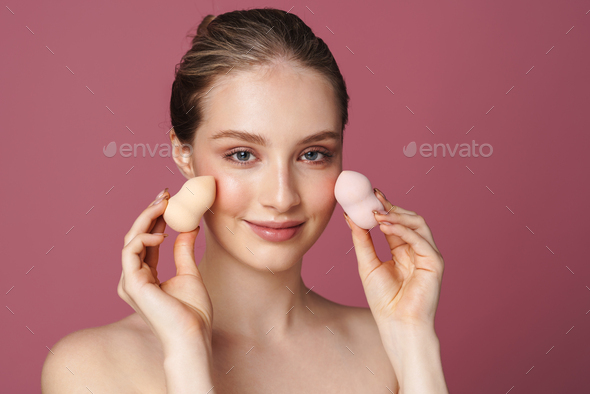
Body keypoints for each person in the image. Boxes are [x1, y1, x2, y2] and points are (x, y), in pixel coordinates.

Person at [41, 8, 448, 393]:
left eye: (312, 154)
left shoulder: (389, 346)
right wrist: (186, 354)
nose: (282, 197)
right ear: (184, 154)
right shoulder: (93, 368)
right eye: (242, 155)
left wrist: (413, 339)